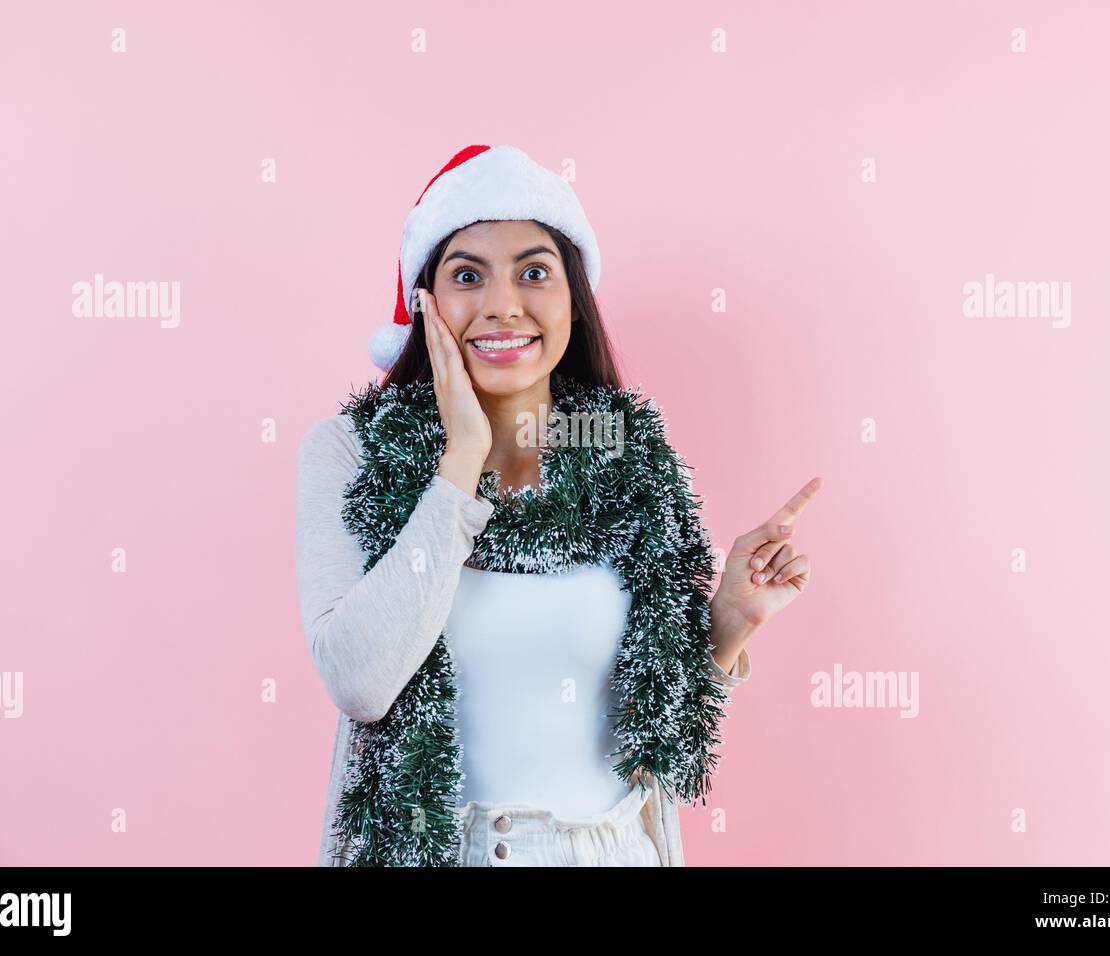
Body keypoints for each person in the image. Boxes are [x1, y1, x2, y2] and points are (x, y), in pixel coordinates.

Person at [295, 144, 821, 866]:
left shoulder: (626, 457)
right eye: (467, 275)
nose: (502, 304)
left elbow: (654, 736)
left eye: (534, 272)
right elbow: (359, 684)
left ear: (573, 296)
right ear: (427, 302)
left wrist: (725, 628)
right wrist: (461, 463)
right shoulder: (352, 454)